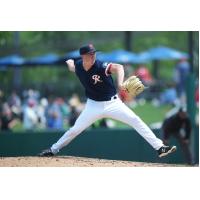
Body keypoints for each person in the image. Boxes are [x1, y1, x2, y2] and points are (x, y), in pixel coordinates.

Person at [39, 44, 176, 157]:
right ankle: (53, 149)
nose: (93, 56)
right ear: (83, 56)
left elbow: (119, 67)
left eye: (94, 53)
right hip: (93, 106)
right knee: (75, 130)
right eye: (90, 54)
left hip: (113, 103)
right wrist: (70, 63)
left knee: (136, 120)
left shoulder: (100, 66)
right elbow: (73, 68)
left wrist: (121, 83)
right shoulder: (79, 66)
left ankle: (160, 148)